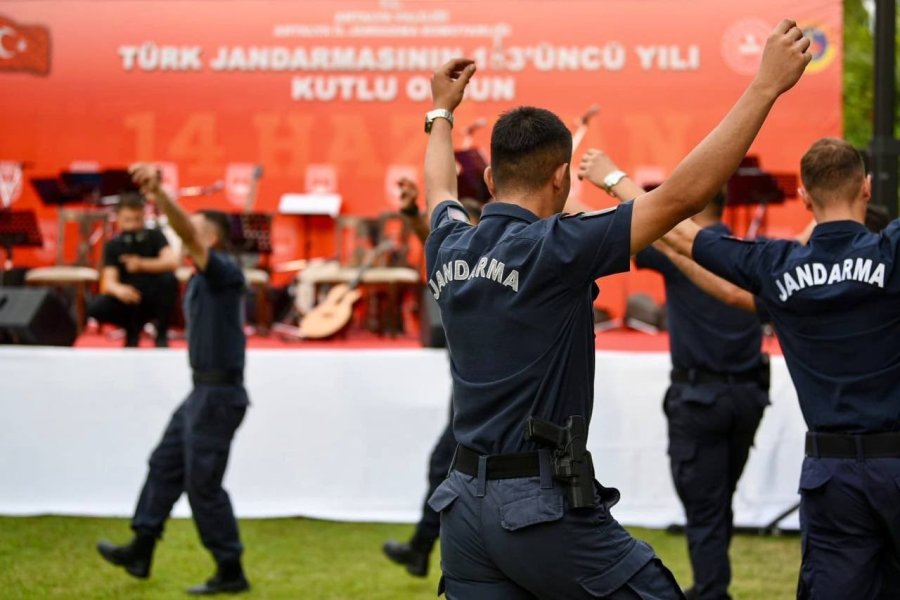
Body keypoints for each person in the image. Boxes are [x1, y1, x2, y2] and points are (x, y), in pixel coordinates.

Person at [421, 20, 810, 600]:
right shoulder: (556, 248)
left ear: (491, 177)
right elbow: (681, 197)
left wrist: (440, 112)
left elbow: (437, 188)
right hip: (537, 507)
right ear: (560, 178)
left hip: (462, 508)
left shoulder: (449, 241)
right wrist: (764, 88)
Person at [659, 137, 900, 599]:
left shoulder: (776, 265)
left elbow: (684, 236)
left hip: (834, 476)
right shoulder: (890, 254)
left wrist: (613, 180)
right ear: (867, 188)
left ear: (805, 198)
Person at [578, 153, 771, 600]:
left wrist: (604, 182)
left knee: (704, 507)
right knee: (717, 502)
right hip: (748, 397)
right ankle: (712, 584)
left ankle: (711, 591)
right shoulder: (750, 254)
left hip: (700, 399)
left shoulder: (680, 251)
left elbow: (621, 232)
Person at [96, 165, 251, 595]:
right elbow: (187, 236)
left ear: (211, 239)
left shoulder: (224, 275)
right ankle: (142, 548)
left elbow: (186, 233)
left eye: (195, 232)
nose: (185, 238)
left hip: (219, 394)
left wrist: (159, 195)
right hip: (203, 392)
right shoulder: (205, 278)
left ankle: (230, 569)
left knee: (202, 485)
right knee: (164, 464)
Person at [382, 178, 482, 577]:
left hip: (482, 401)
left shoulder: (489, 272)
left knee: (449, 469)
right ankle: (423, 549)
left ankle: (427, 549)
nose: (459, 239)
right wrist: (410, 215)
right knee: (444, 467)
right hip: (465, 395)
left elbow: (440, 242)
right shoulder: (461, 268)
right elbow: (437, 243)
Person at [87, 192, 178, 347]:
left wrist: (141, 264)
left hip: (153, 293)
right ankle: (131, 334)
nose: (133, 225)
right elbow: (110, 281)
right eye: (128, 220)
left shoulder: (155, 236)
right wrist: (119, 290)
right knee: (97, 307)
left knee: (169, 280)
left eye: (138, 219)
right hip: (129, 298)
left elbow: (172, 262)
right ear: (118, 219)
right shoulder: (113, 245)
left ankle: (161, 335)